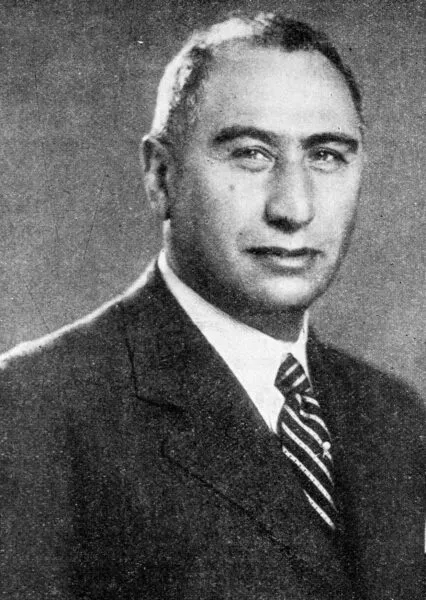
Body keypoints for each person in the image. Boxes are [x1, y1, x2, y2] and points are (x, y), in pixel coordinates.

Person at [0, 12, 424, 600]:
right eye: (251, 153)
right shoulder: (32, 407)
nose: (294, 208)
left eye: (326, 155)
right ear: (161, 176)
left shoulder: (394, 415)